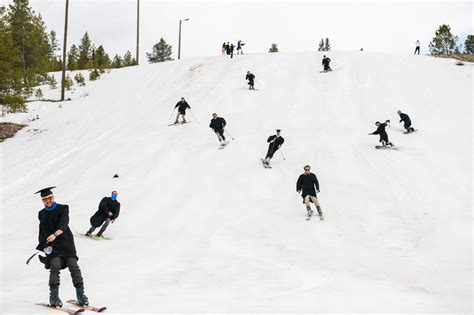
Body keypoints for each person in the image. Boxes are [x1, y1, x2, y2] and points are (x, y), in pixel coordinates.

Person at [35, 187, 89, 307]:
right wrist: (44, 245)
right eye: (45, 199)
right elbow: (42, 231)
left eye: (49, 198)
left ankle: (81, 296)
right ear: (42, 201)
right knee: (55, 265)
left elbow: (64, 224)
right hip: (53, 245)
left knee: (73, 266)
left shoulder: (63, 208)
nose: (48, 201)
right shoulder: (41, 214)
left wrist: (55, 234)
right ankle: (54, 297)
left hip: (66, 242)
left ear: (53, 197)